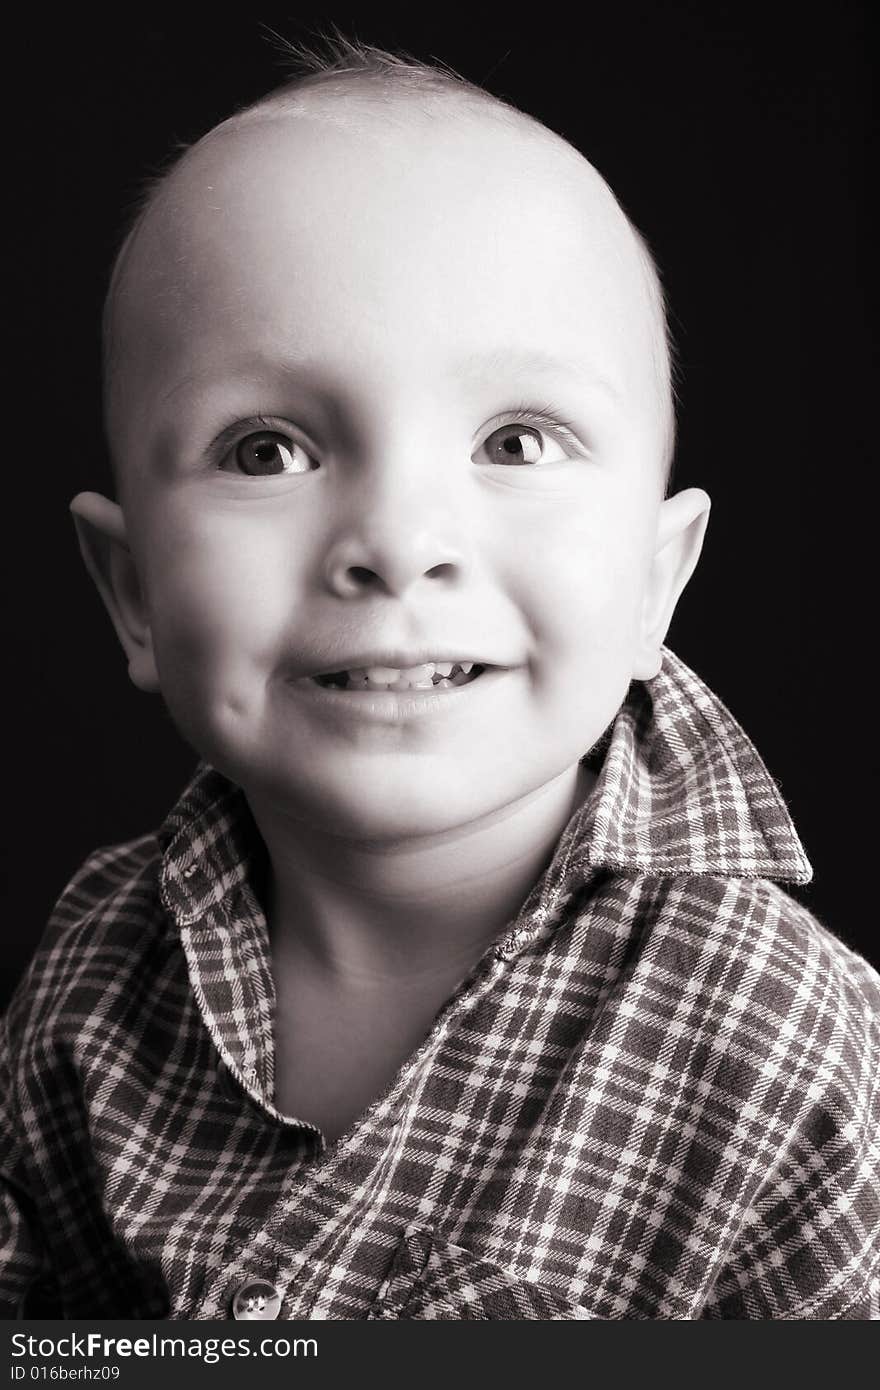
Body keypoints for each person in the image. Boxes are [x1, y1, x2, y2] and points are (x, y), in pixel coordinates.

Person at [2, 35, 878, 1321]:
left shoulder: (783, 1044)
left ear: (655, 579)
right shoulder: (93, 975)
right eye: (268, 449)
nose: (401, 540)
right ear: (133, 594)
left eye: (516, 438)